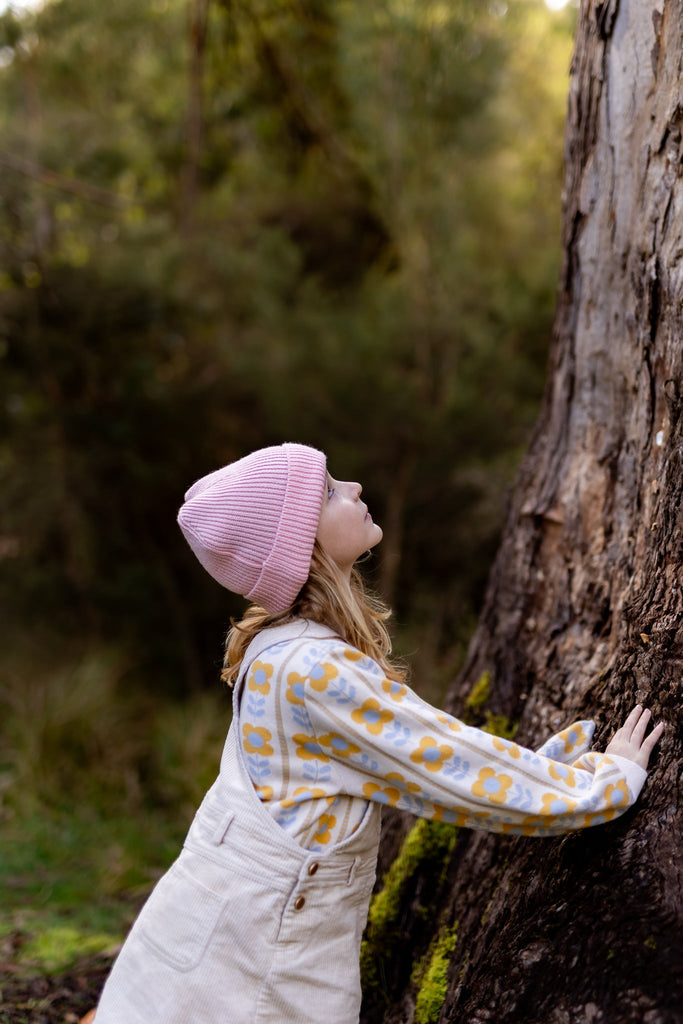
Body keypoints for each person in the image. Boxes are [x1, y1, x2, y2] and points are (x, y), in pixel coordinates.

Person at [92, 442, 664, 1024]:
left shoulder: (276, 649)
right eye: (329, 492)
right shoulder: (315, 671)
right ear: (300, 546)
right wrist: (598, 787)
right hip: (253, 976)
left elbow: (427, 760)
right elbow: (445, 762)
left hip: (204, 945)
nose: (355, 489)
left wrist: (541, 771)